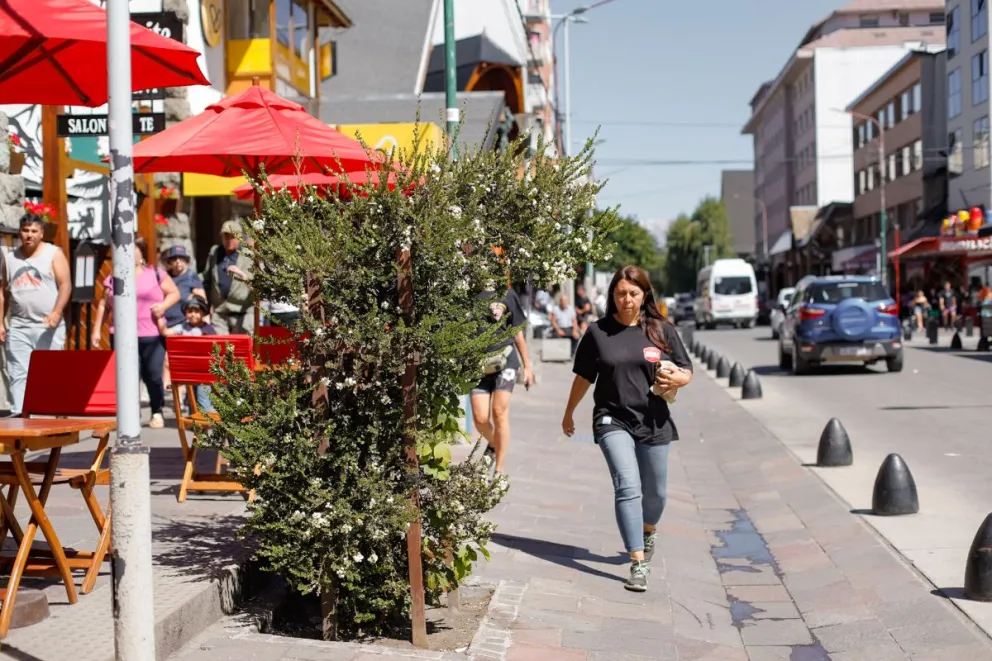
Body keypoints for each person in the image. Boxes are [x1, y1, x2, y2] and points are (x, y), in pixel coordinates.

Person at [561, 265, 693, 593]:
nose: (627, 299)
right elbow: (583, 377)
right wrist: (569, 412)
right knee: (627, 485)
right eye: (621, 293)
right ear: (613, 295)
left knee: (657, 494)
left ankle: (648, 530)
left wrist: (679, 378)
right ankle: (638, 562)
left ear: (645, 295)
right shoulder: (598, 332)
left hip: (653, 420)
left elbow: (686, 369)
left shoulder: (661, 330)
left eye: (633, 293)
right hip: (612, 419)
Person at [93, 237, 180, 428]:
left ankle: (157, 410)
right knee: (128, 375)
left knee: (153, 375)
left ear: (142, 253)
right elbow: (104, 304)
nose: (129, 253)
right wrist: (96, 330)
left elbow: (174, 293)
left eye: (134, 249)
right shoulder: (114, 276)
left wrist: (162, 306)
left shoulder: (155, 274)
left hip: (151, 333)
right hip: (121, 334)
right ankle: (131, 414)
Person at [0, 213, 71, 415]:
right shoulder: (10, 258)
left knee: (51, 372)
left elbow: (65, 285)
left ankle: (56, 414)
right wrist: (1, 323)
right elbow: (3, 292)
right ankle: (21, 414)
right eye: (25, 230)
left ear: (41, 233)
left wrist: (57, 312)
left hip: (47, 325)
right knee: (18, 372)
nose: (29, 235)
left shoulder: (53, 253)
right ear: (19, 233)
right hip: (19, 325)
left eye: (34, 231)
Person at [471, 286, 534, 480]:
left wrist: (527, 366)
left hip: (505, 360)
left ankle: (499, 470)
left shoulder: (506, 293)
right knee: (480, 418)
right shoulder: (469, 292)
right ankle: (493, 445)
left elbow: (517, 331)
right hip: (478, 364)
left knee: (499, 412)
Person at [200, 220, 254, 335]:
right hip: (220, 311)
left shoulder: (248, 254)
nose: (229, 240)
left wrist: (242, 275)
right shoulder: (215, 252)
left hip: (243, 311)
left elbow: (256, 283)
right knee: (220, 344)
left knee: (243, 343)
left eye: (232, 237)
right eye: (226, 237)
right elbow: (206, 279)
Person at [170, 294, 217, 414]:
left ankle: (203, 420)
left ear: (203, 313)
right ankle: (194, 420)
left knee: (203, 397)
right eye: (190, 311)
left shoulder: (208, 330)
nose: (193, 314)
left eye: (197, 311)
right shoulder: (183, 327)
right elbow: (167, 332)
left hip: (203, 371)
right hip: (190, 370)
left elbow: (214, 348)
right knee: (191, 398)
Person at [161, 245, 205, 334]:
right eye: (174, 259)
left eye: (181, 258)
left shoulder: (191, 277)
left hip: (184, 327)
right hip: (165, 324)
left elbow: (202, 302)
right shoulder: (164, 276)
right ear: (170, 262)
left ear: (186, 261)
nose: (178, 261)